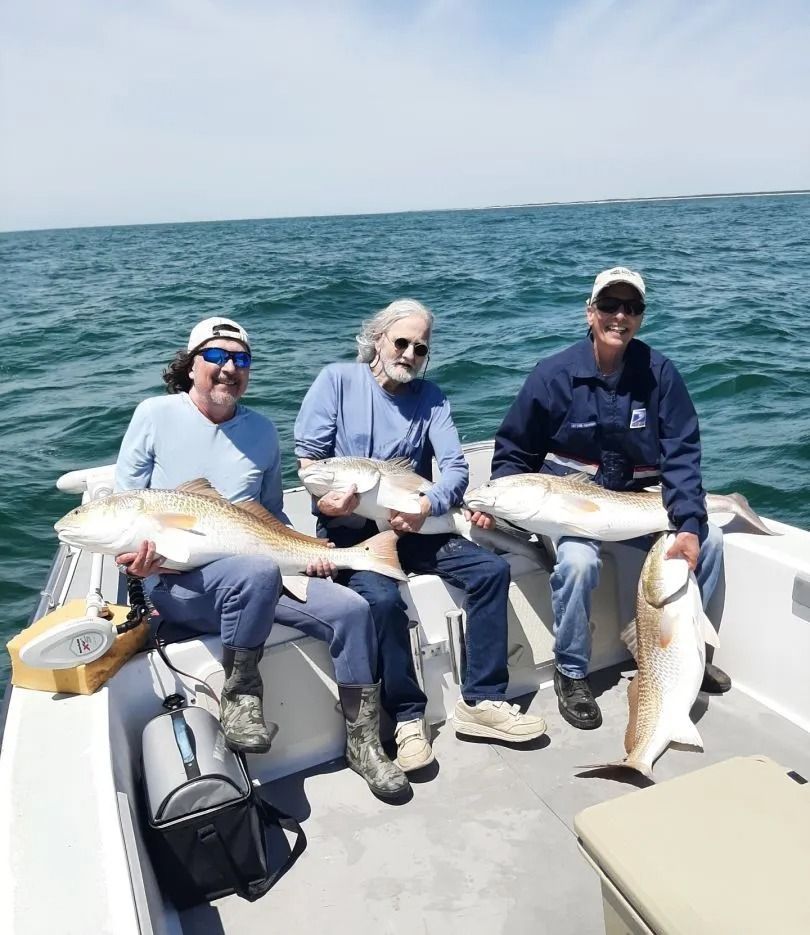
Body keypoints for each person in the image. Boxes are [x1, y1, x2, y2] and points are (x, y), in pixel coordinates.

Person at [114, 316, 408, 799]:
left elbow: (270, 516)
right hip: (180, 582)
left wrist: (307, 554)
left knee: (353, 610)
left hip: (261, 570)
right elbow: (129, 506)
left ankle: (364, 744)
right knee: (254, 569)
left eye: (241, 359)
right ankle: (241, 699)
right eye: (216, 356)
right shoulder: (153, 415)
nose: (230, 367)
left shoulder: (262, 432)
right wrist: (138, 560)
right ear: (191, 366)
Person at [294, 298, 547, 773]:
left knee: (490, 570)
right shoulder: (336, 381)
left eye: (420, 348)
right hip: (352, 532)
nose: (410, 353)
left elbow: (454, 467)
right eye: (401, 342)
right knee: (382, 603)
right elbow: (310, 466)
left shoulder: (432, 398)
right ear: (377, 340)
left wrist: (429, 505)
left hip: (418, 524)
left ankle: (481, 701)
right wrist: (330, 507)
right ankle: (408, 719)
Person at [489, 267, 730, 731]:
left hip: (639, 504)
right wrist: (499, 508)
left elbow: (682, 457)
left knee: (711, 539)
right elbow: (513, 454)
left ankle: (689, 656)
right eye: (610, 306)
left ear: (640, 317)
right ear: (590, 311)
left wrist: (687, 525)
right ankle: (572, 670)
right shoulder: (552, 375)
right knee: (578, 563)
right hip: (572, 508)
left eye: (631, 308)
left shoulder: (660, 375)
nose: (619, 316)